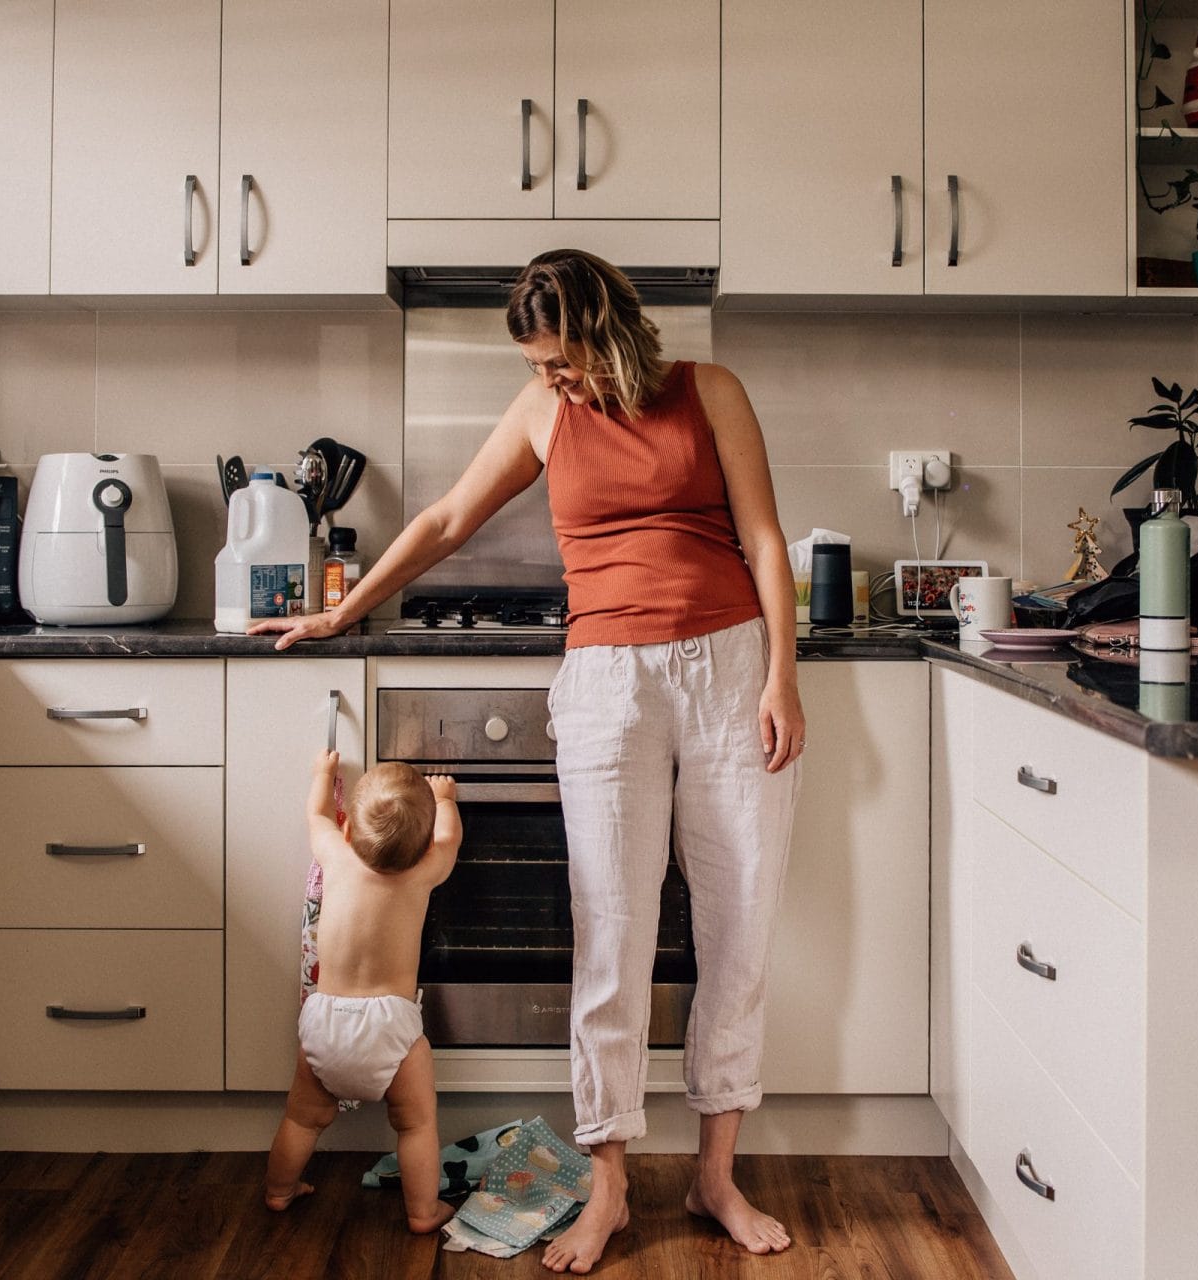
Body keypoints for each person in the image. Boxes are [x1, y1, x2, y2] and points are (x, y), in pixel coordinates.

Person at [251, 249, 804, 1274]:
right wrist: (346, 607)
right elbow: (448, 520)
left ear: (610, 330)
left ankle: (716, 1174)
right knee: (612, 934)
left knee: (742, 923)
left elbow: (766, 540)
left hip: (727, 671)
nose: (550, 380)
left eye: (562, 360)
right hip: (605, 683)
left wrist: (783, 675)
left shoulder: (709, 391)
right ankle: (610, 1187)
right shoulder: (544, 412)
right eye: (538, 365)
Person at [263, 752, 463, 1235]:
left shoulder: (335, 855)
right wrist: (445, 800)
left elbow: (315, 816)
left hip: (324, 1018)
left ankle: (278, 1190)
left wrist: (323, 775)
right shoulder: (424, 872)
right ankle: (422, 1212)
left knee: (302, 1119)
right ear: (420, 849)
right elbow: (449, 839)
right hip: (390, 1026)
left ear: (348, 830)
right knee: (415, 1125)